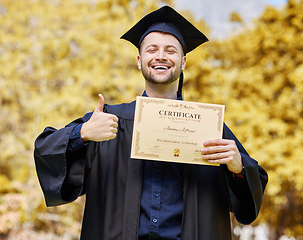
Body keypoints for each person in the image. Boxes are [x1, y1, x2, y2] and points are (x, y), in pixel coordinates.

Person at [34, 6, 268, 240]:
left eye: (171, 51)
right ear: (139, 60)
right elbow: (45, 150)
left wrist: (238, 168)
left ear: (183, 62)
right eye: (152, 50)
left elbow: (249, 200)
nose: (161, 56)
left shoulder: (208, 126)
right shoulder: (109, 122)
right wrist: (82, 132)